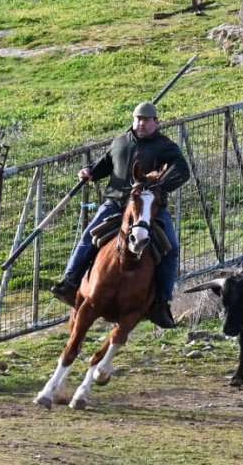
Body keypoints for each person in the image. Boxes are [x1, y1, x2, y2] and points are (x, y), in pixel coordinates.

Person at [50, 102, 189, 329]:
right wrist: (90, 172)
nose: (141, 124)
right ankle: (70, 281)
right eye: (138, 119)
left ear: (156, 122)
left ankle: (162, 303)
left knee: (171, 249)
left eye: (146, 120)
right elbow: (105, 165)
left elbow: (182, 171)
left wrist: (159, 189)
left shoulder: (166, 147)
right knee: (88, 236)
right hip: (115, 203)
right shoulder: (120, 142)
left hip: (149, 208)